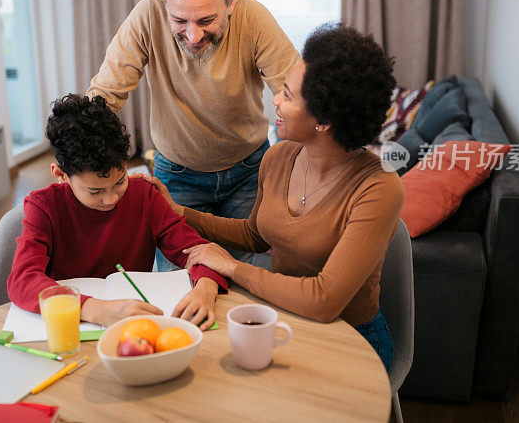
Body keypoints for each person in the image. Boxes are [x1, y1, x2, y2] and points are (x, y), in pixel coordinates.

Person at [139, 23, 403, 370]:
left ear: (323, 120)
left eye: (288, 95)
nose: (275, 99)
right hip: (286, 320)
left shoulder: (378, 188)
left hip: (352, 339)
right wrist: (178, 211)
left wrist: (232, 266)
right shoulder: (279, 157)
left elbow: (324, 300)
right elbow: (255, 235)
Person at [87, 0, 300, 271]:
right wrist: (79, 152)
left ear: (230, 3)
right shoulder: (148, 14)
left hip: (249, 171)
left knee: (242, 280)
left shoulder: (252, 17)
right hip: (177, 174)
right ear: (165, 6)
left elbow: (296, 93)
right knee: (176, 282)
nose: (193, 35)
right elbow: (106, 93)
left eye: (206, 20)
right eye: (179, 20)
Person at [7, 94, 228, 329]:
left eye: (120, 181)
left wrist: (206, 287)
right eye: (95, 191)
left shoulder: (144, 195)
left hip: (134, 330)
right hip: (71, 330)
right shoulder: (44, 207)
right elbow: (23, 280)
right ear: (61, 175)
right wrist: (95, 309)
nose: (111, 199)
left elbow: (199, 251)